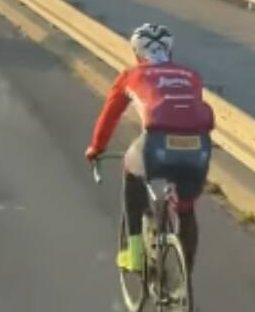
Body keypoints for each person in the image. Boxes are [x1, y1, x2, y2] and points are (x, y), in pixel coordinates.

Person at [85, 23, 214, 274]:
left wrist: (96, 148)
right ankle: (185, 282)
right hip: (199, 148)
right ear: (170, 50)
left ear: (136, 53)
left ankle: (134, 256)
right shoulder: (191, 76)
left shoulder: (130, 76)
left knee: (132, 172)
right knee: (186, 210)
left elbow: (109, 117)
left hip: (157, 144)